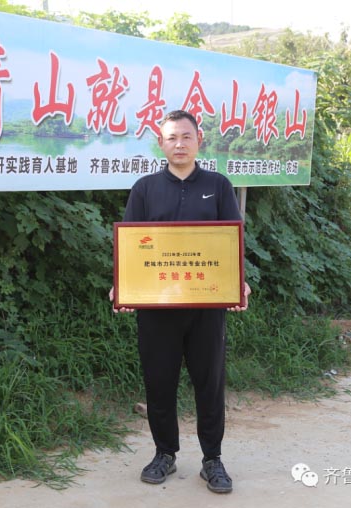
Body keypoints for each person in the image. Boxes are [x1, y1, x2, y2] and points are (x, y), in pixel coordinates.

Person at [109, 109, 251, 494]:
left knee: (210, 384)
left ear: (199, 140)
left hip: (207, 308)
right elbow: (131, 247)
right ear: (161, 143)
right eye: (171, 138)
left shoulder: (218, 186)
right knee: (159, 383)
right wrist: (122, 286)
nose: (180, 144)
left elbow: (231, 244)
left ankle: (212, 459)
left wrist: (238, 283)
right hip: (157, 308)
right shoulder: (145, 189)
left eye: (186, 136)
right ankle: (164, 454)